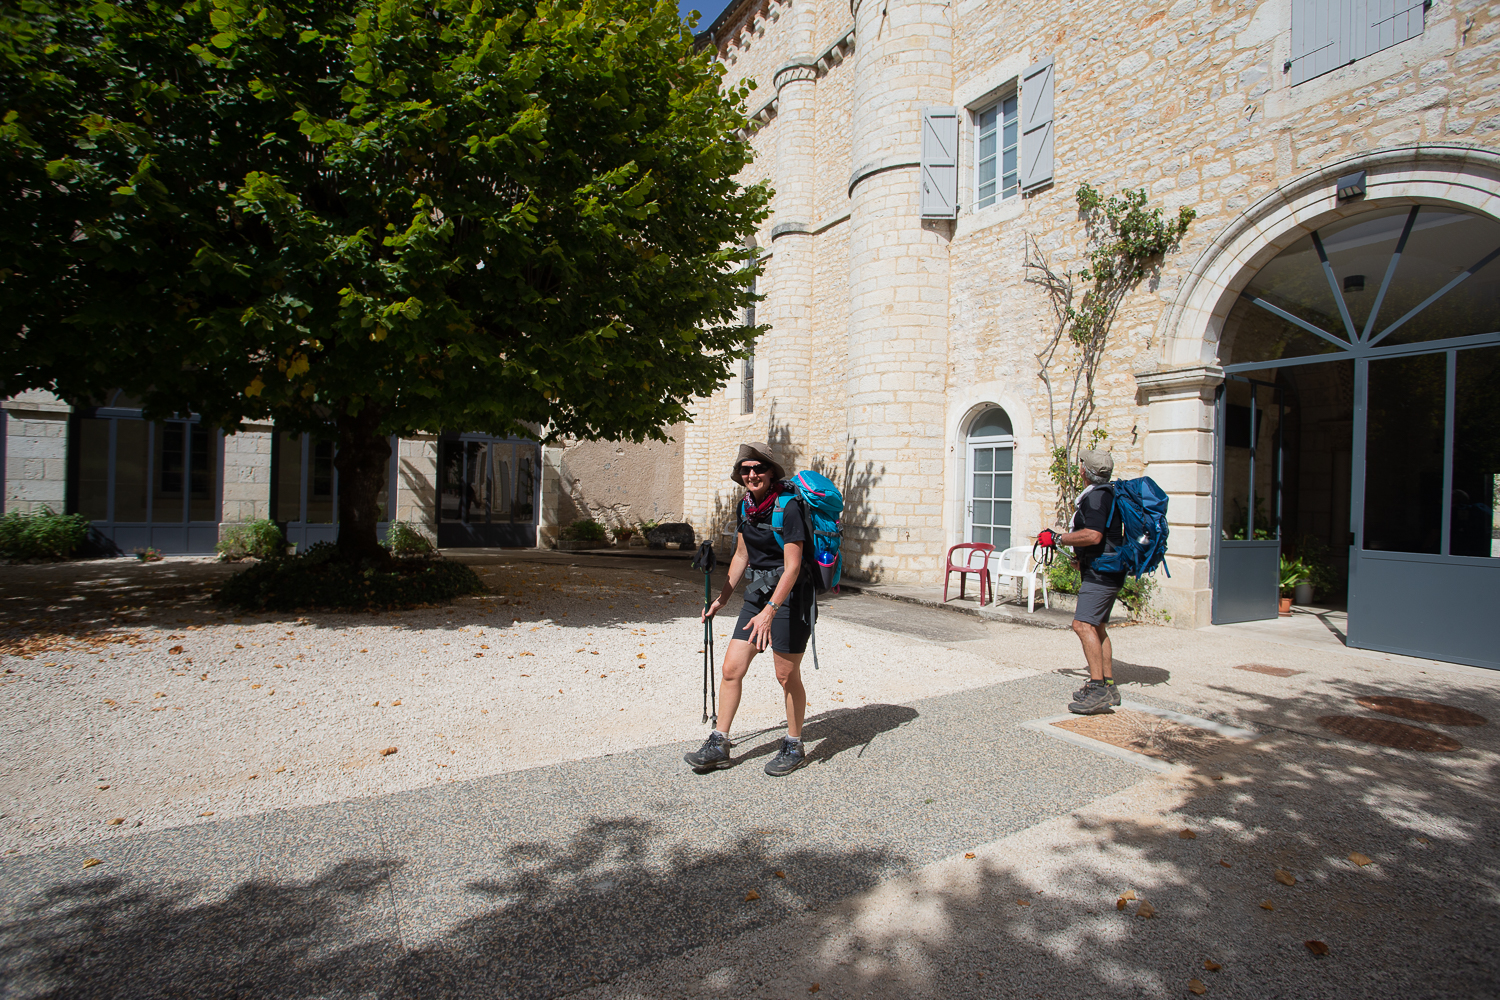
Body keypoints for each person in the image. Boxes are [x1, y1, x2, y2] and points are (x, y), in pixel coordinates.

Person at [684, 442, 815, 777]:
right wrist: (722, 599)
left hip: (789, 600)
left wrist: (771, 610)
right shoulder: (745, 507)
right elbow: (742, 555)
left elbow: (793, 567)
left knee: (785, 675)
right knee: (731, 669)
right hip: (758, 597)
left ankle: (794, 743)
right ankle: (719, 742)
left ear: (771, 472)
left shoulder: (789, 508)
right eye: (745, 470)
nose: (752, 475)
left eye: (758, 468)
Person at [1054, 449, 1125, 715]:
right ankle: (1108, 685)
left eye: (1081, 464)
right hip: (1106, 568)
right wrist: (1080, 558)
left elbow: (1094, 535)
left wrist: (1058, 538)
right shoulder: (1107, 493)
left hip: (1102, 573)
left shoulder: (1096, 497)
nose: (1079, 467)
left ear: (1084, 470)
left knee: (1082, 625)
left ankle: (1097, 690)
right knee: (1098, 626)